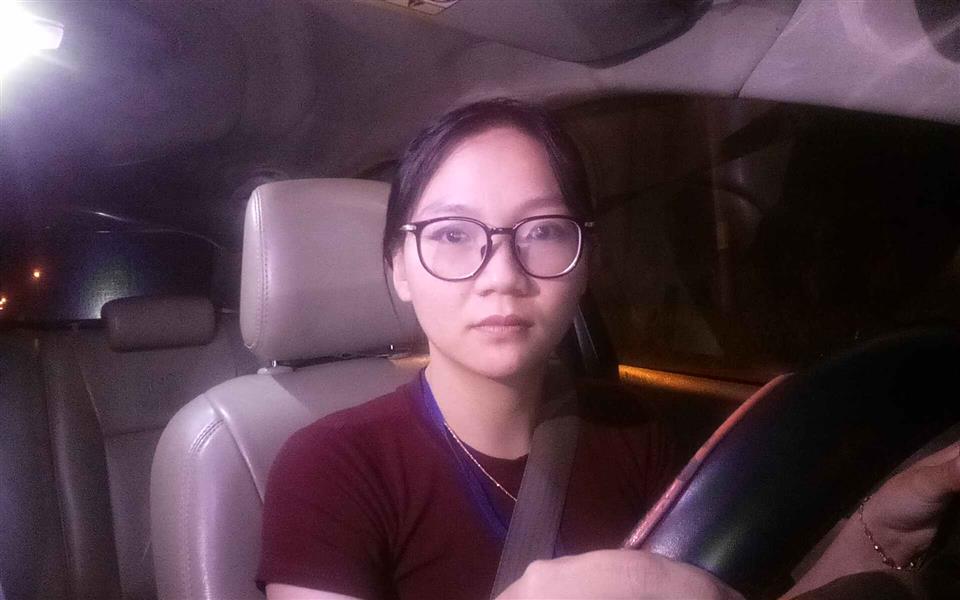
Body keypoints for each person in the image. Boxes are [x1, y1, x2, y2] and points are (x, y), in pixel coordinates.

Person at [257, 98, 960, 599]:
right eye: (451, 235)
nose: (502, 274)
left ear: (585, 262)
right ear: (399, 270)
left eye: (541, 231)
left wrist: (884, 530)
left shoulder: (626, 430)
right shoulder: (330, 468)